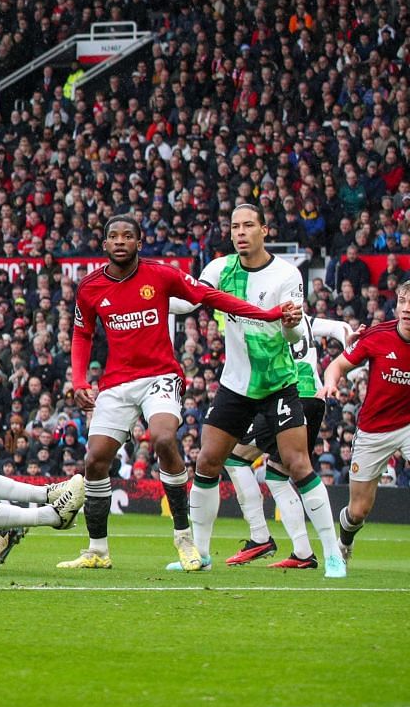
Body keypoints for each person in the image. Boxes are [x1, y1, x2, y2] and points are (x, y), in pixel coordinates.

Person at [59, 215, 297, 571]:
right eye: (113, 237)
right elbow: (82, 335)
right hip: (116, 382)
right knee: (94, 460)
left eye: (128, 236)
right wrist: (79, 381)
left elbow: (209, 296)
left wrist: (268, 315)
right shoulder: (90, 287)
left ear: (139, 243)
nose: (120, 241)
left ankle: (185, 541)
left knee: (164, 437)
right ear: (105, 244)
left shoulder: (162, 274)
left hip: (160, 375)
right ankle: (97, 550)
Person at [170, 205, 339, 572]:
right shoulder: (219, 269)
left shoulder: (286, 273)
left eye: (248, 225)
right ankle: (198, 553)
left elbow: (295, 332)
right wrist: (151, 292)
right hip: (236, 385)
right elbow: (187, 302)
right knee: (208, 461)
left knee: (297, 465)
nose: (240, 232)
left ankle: (332, 554)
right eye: (234, 227)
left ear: (265, 229)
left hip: (279, 383)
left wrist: (292, 322)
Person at [224, 314, 356, 567]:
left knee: (235, 458)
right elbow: (340, 327)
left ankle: (259, 536)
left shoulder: (264, 316)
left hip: (289, 395)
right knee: (277, 473)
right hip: (315, 398)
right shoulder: (307, 318)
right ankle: (303, 553)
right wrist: (348, 340)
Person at [321, 279, 410, 566]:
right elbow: (337, 365)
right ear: (396, 305)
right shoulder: (378, 335)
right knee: (359, 510)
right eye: (403, 302)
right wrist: (331, 384)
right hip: (374, 428)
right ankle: (345, 543)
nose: (408, 309)